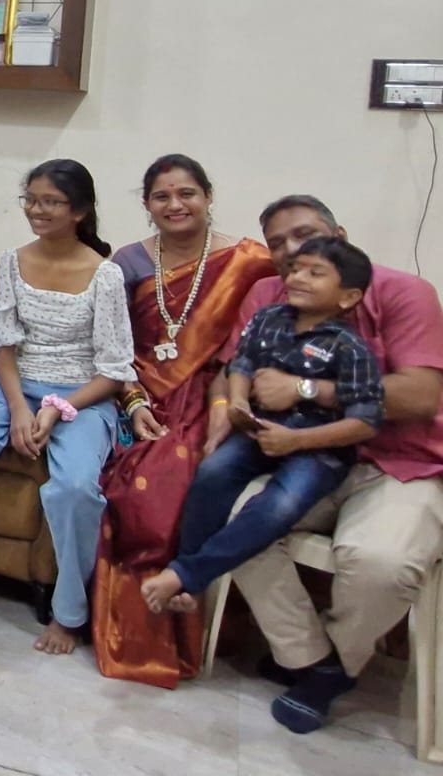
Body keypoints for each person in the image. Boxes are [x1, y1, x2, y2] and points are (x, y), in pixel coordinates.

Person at [221, 195, 443, 735]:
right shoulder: (268, 296)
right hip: (305, 456)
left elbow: (421, 395)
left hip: (400, 463)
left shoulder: (403, 292)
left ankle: (334, 666)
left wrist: (307, 389)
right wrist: (230, 409)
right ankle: (312, 661)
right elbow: (233, 371)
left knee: (381, 562)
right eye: (278, 244)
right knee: (236, 522)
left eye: (305, 234)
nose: (291, 250)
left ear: (340, 236)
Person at [93, 154, 275, 687]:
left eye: (187, 193)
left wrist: (226, 402)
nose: (175, 204)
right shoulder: (127, 262)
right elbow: (111, 346)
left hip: (215, 392)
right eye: (162, 196)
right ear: (147, 205)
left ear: (208, 196)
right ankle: (136, 636)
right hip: (135, 391)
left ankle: (179, 627)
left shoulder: (250, 262)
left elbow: (262, 340)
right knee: (130, 483)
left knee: (175, 481)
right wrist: (133, 401)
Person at [0, 159, 134, 655]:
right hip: (17, 384)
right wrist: (20, 408)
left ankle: (68, 613)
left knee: (75, 488)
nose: (37, 210)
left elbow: (113, 371)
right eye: (31, 199)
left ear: (79, 211)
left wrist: (56, 408)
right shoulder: (11, 261)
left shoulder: (106, 275)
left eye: (51, 202)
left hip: (83, 395)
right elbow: (4, 348)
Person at [142, 238, 381, 620]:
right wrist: (237, 402)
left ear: (349, 296)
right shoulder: (269, 318)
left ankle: (186, 573)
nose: (297, 277)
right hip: (258, 431)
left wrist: (296, 440)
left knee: (278, 505)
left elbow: (365, 422)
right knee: (212, 471)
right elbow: (241, 364)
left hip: (319, 448)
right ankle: (187, 580)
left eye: (315, 273)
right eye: (296, 269)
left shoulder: (351, 348)